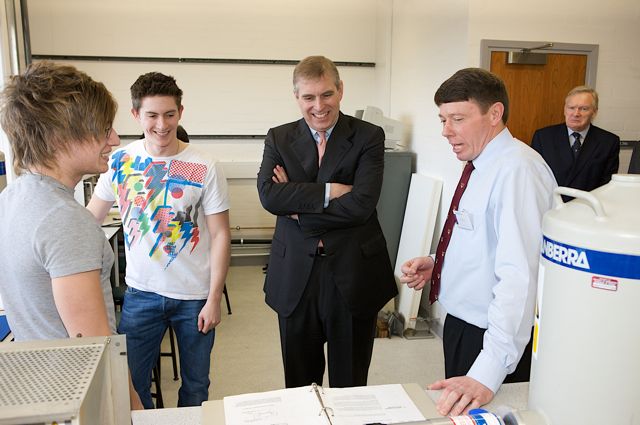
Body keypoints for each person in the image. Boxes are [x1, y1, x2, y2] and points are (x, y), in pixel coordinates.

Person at [400, 68, 556, 415]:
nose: (445, 131)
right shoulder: (481, 162)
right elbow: (483, 239)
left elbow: (520, 276)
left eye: (457, 118)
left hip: (492, 337)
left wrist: (488, 372)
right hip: (462, 325)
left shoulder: (517, 170)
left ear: (495, 113)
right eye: (442, 119)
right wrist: (437, 261)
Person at [0, 61, 142, 410]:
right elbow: (94, 343)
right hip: (83, 395)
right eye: (104, 129)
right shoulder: (64, 219)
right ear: (61, 137)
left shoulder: (12, 198)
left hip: (43, 386)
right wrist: (135, 409)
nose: (114, 139)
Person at [87, 72, 231, 408]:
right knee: (131, 386)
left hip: (194, 297)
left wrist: (213, 298)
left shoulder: (204, 165)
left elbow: (221, 233)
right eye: (152, 115)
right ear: (136, 115)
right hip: (141, 295)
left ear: (181, 112)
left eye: (169, 114)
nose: (162, 125)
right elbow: (90, 217)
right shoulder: (121, 161)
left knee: (196, 387)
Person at [257, 55, 397, 388]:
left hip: (352, 274)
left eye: (326, 94)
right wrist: (331, 191)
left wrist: (296, 206)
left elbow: (362, 205)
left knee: (350, 383)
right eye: (309, 97)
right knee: (300, 384)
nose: (319, 106)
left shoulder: (368, 136)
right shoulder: (278, 138)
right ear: (297, 98)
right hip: (295, 277)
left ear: (340, 90)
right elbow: (269, 197)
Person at [531, 86, 620, 192]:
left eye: (584, 109)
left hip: (588, 205)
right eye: (571, 108)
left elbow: (606, 185)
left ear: (594, 112)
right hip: (553, 204)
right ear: (564, 109)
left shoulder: (608, 142)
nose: (576, 113)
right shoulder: (543, 137)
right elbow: (535, 178)